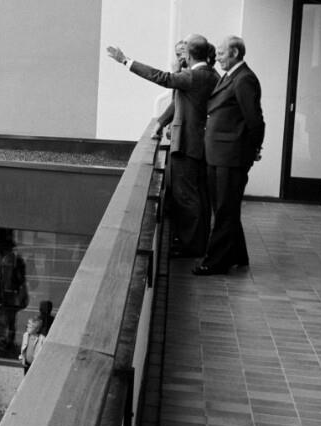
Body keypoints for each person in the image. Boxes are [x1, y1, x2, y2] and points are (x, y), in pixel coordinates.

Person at [107, 35, 220, 257]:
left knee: (186, 197)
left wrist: (125, 60)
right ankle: (196, 243)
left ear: (188, 54)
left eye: (182, 52)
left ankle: (191, 247)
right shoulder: (211, 74)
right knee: (198, 196)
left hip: (187, 144)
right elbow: (181, 102)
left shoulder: (192, 76)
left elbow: (161, 77)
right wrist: (161, 122)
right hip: (200, 144)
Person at [193, 36, 265, 276]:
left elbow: (255, 120)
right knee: (226, 207)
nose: (217, 57)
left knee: (224, 210)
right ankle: (238, 254)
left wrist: (252, 150)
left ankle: (215, 262)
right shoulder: (230, 76)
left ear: (234, 53)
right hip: (220, 154)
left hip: (231, 156)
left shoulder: (244, 79)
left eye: (222, 53)